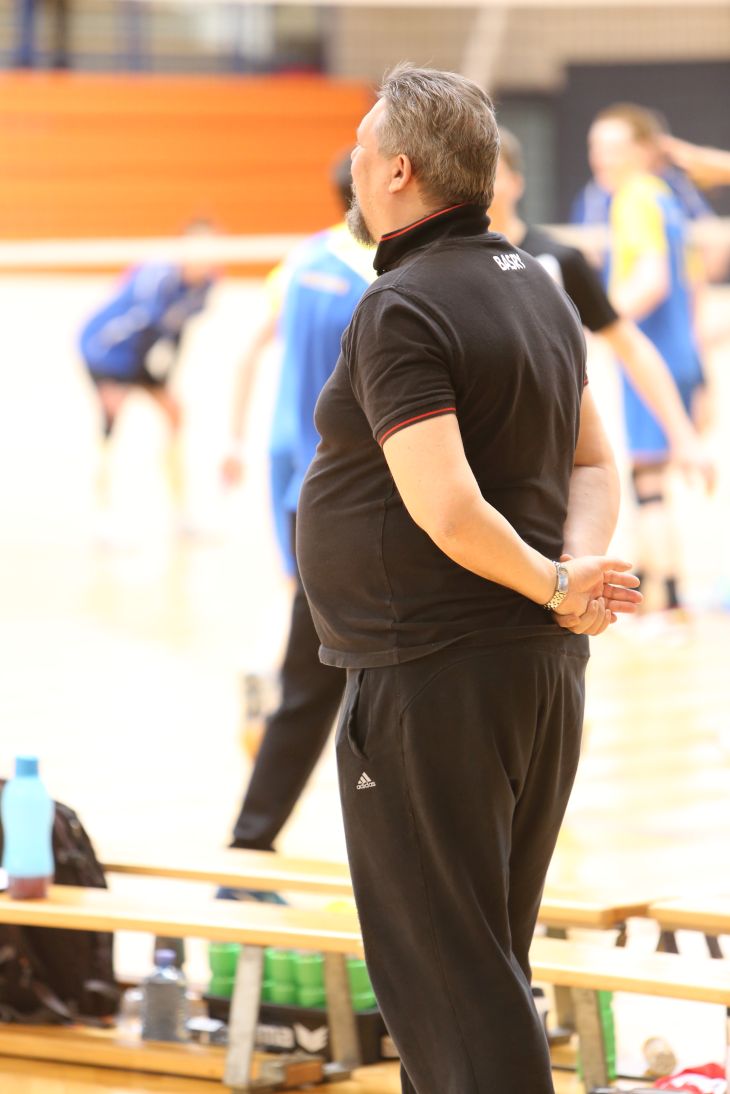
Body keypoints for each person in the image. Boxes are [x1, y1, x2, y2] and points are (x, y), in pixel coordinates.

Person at [297, 65, 640, 1094]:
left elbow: (445, 508)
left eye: (361, 151)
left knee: (452, 981)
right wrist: (568, 577)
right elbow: (595, 462)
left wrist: (557, 585)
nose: (352, 168)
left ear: (398, 170)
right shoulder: (538, 286)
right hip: (534, 674)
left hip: (431, 674)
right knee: (475, 969)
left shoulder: (402, 305)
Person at [222, 158, 374, 866]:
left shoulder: (302, 259)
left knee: (311, 666)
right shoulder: (385, 276)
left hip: (293, 480)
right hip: (355, 494)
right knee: (356, 680)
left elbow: (249, 353)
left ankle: (249, 845)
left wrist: (233, 437)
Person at [491, 127, 712, 486]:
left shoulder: (561, 257)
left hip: (542, 459)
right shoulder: (440, 263)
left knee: (647, 480)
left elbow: (637, 325)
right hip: (477, 453)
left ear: (516, 182)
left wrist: (683, 434)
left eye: (492, 172)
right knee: (648, 482)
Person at [588, 103, 709, 615]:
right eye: (595, 148)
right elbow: (695, 280)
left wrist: (598, 321)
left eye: (613, 148)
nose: (600, 158)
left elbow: (653, 279)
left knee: (648, 480)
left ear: (642, 151)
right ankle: (670, 596)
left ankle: (665, 602)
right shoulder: (666, 198)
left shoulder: (634, 197)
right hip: (679, 351)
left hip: (649, 355)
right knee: (659, 476)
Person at [79, 221, 216, 517]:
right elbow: (139, 327)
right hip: (105, 349)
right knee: (113, 418)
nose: (205, 255)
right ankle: (101, 514)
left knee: (175, 413)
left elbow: (178, 330)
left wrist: (168, 374)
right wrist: (125, 384)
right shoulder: (159, 276)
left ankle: (180, 513)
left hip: (138, 354)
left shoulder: (205, 286)